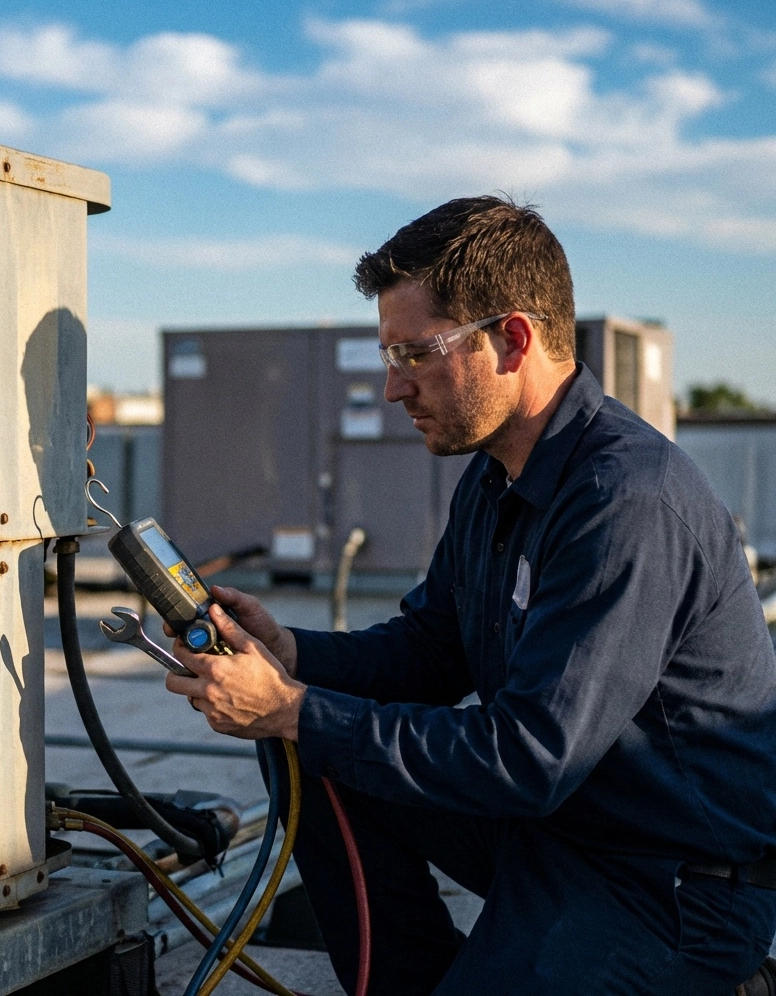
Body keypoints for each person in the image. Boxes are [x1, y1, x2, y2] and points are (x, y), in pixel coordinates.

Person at [164, 197, 776, 995]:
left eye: (415, 353)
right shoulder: (497, 479)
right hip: (558, 831)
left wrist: (292, 705)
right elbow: (430, 649)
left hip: (669, 882)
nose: (393, 388)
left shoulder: (625, 499)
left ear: (512, 339)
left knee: (306, 723)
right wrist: (292, 656)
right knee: (310, 749)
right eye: (390, 356)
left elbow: (528, 759)